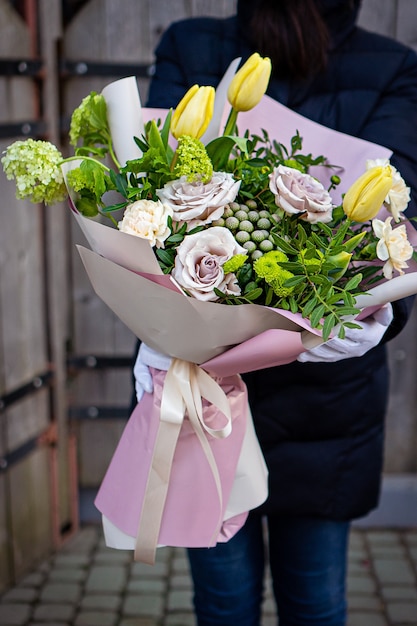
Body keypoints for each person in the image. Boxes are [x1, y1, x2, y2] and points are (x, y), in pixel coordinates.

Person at [133, 1, 417, 624]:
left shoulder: (394, 66)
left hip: (327, 393)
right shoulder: (191, 45)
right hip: (202, 387)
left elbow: (400, 205)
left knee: (314, 602)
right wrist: (153, 317)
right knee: (225, 604)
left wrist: (371, 316)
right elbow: (147, 182)